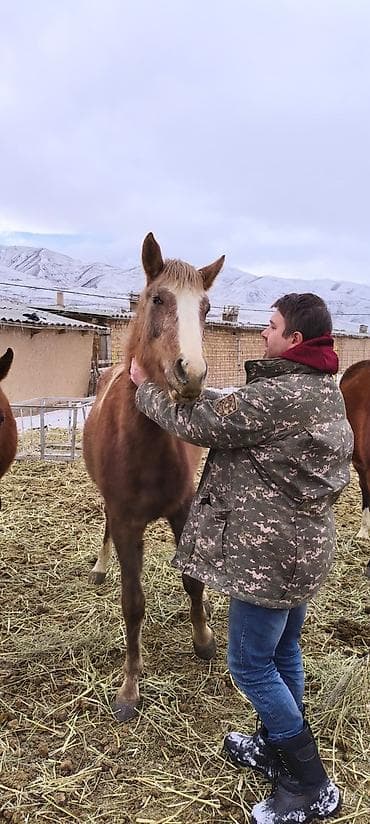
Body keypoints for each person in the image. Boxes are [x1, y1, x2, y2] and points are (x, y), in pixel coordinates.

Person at [129, 292, 353, 824]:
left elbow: (204, 422)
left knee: (250, 665)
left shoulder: (281, 396)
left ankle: (309, 783)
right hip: (301, 552)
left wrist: (144, 391)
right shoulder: (321, 388)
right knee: (283, 653)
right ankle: (275, 745)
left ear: (294, 341)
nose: (262, 333)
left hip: (267, 559)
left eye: (271, 327)